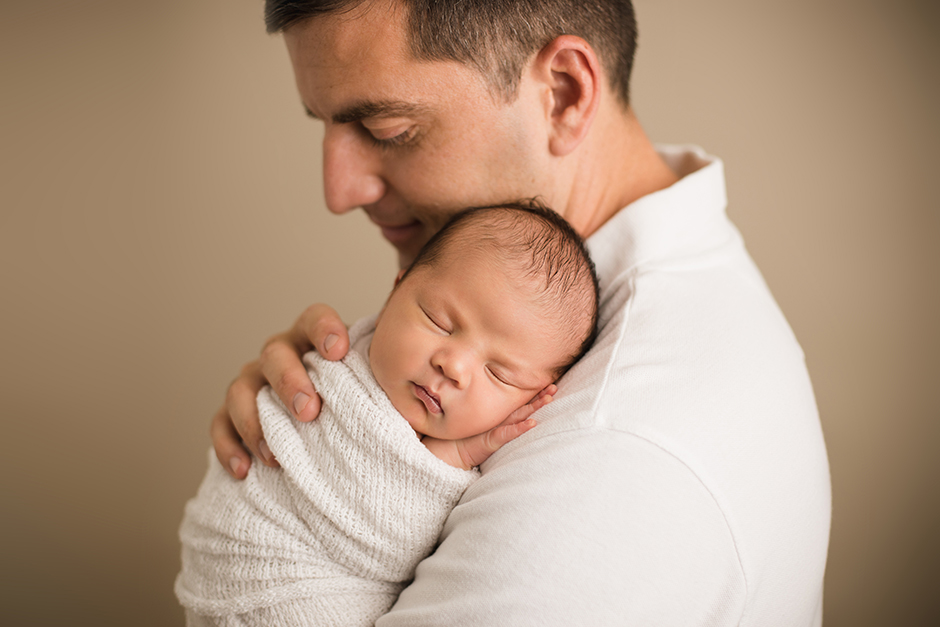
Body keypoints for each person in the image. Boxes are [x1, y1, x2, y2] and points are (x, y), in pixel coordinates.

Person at [211, 0, 832, 624]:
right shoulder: (692, 295)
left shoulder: (612, 451)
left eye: (388, 130)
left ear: (563, 93)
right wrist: (323, 442)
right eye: (324, 124)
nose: (338, 191)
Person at [178, 203, 601, 626]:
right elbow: (367, 513)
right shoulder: (334, 367)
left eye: (498, 373)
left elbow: (391, 532)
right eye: (439, 321)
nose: (452, 367)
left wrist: (458, 453)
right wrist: (451, 456)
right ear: (395, 291)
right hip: (249, 556)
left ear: (537, 396)